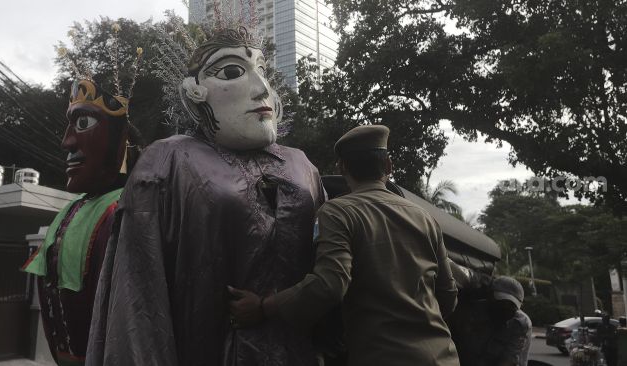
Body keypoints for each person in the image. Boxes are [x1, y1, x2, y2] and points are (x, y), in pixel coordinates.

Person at [86, 27, 325, 366]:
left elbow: (329, 267)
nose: (261, 89)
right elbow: (138, 296)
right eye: (231, 72)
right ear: (195, 91)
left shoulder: (301, 165)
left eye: (263, 71)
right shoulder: (168, 161)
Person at [229, 125, 460, 366]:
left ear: (342, 168)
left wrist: (264, 307)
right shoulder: (425, 218)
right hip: (443, 357)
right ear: (389, 166)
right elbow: (448, 296)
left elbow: (330, 284)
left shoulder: (338, 213)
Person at [22, 79, 138, 365]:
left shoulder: (128, 211)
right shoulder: (73, 209)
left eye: (83, 122)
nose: (67, 142)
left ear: (123, 139)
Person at [449, 275, 532, 366]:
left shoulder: (520, 324)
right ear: (490, 296)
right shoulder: (471, 311)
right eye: (502, 302)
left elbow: (509, 361)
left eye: (511, 305)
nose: (505, 307)